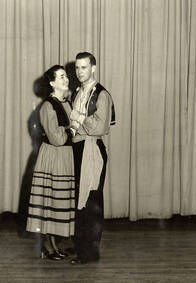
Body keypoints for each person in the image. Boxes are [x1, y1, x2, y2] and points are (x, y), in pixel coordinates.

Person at [69, 52, 115, 265]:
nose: (79, 72)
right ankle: (81, 247)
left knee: (91, 201)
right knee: (79, 199)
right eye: (77, 68)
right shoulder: (77, 91)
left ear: (93, 68)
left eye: (84, 67)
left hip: (92, 149)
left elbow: (99, 127)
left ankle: (90, 253)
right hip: (78, 148)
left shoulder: (101, 94)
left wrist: (77, 117)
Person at [26, 65, 76, 260]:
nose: (66, 80)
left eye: (66, 76)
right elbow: (57, 139)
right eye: (61, 77)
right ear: (52, 83)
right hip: (54, 157)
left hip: (66, 157)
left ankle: (54, 244)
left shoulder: (67, 103)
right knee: (51, 200)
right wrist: (73, 129)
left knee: (58, 202)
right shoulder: (48, 106)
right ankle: (47, 245)